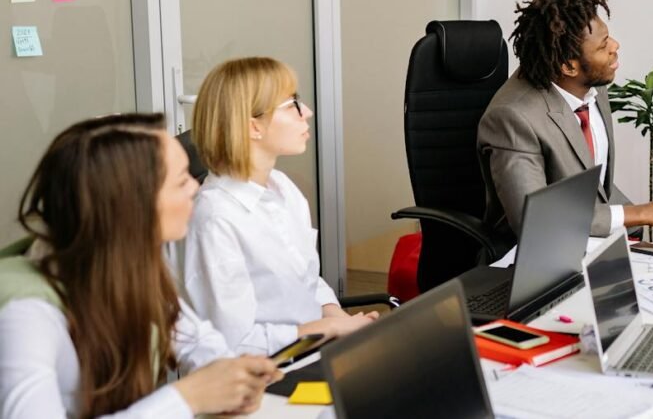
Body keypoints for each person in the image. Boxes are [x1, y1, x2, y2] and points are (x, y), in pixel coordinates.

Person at [0, 113, 281, 417]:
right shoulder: (26, 312)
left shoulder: (126, 264)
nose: (195, 189)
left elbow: (193, 337)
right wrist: (188, 398)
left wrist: (233, 378)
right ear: (131, 205)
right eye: (180, 181)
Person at [174, 57, 376, 356]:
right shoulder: (216, 218)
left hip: (312, 351)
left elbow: (306, 281)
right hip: (263, 375)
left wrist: (338, 318)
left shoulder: (283, 188)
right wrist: (325, 329)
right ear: (253, 126)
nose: (306, 112)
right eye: (292, 104)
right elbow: (233, 343)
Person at [479, 0, 653, 237]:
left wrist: (636, 230)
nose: (615, 46)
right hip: (535, 259)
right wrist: (641, 214)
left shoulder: (593, 85)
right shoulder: (513, 117)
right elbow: (534, 220)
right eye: (603, 45)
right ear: (569, 66)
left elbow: (597, 188)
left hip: (591, 246)